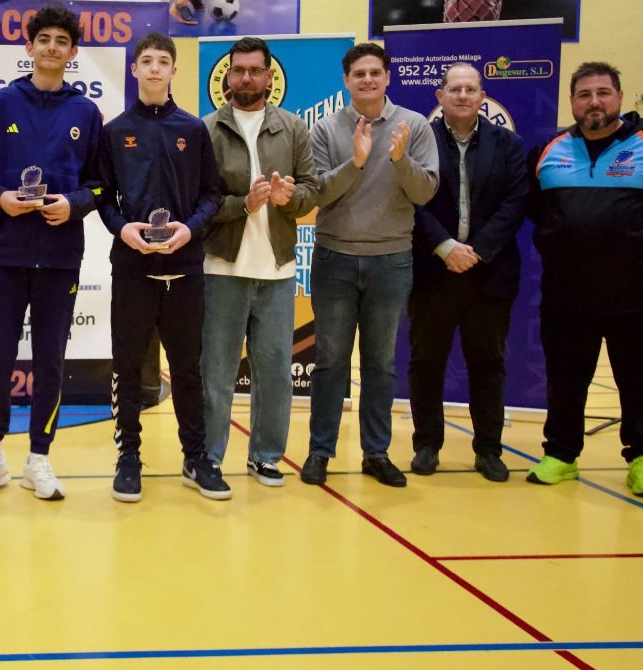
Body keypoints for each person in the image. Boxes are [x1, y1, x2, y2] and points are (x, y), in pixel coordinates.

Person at [526, 62, 643, 499]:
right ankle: (561, 454)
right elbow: (535, 208)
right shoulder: (548, 149)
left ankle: (642, 459)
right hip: (568, 295)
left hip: (640, 296)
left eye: (603, 93)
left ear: (620, 98)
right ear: (572, 102)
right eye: (584, 94)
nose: (594, 102)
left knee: (642, 382)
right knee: (565, 380)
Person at [0, 4, 105, 500]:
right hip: (4, 254)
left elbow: (100, 185)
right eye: (44, 39)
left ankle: (38, 459)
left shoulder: (86, 113)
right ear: (29, 47)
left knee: (50, 361)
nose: (51, 48)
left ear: (73, 52)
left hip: (59, 257)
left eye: (61, 41)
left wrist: (74, 205)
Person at [301, 42, 439, 488]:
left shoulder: (414, 126)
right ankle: (320, 451)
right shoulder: (325, 129)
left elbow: (425, 192)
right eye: (358, 73)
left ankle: (376, 453)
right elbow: (318, 193)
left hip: (391, 261)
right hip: (335, 259)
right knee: (330, 362)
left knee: (380, 364)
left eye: (375, 72)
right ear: (346, 80)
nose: (367, 80)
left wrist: (399, 160)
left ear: (387, 77)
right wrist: (356, 162)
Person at [96, 32, 225, 501]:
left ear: (173, 70)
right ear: (134, 69)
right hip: (132, 270)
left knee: (187, 370)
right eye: (146, 61)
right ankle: (128, 457)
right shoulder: (114, 131)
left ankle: (195, 458)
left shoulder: (193, 129)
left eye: (162, 61)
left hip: (185, 269)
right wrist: (122, 229)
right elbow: (102, 197)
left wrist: (189, 229)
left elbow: (213, 194)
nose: (154, 68)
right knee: (128, 368)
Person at [200, 37, 319, 487]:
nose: (246, 77)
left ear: (270, 76)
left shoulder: (293, 128)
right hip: (222, 269)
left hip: (277, 271)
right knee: (217, 373)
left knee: (274, 374)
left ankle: (266, 456)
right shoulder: (207, 129)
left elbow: (311, 188)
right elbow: (200, 202)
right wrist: (242, 205)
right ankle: (209, 456)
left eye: (255, 70)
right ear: (227, 76)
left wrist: (291, 198)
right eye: (239, 70)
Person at [407, 63, 528, 483]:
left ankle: (489, 450)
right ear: (439, 96)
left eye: (470, 89)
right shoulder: (419, 141)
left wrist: (475, 252)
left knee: (488, 363)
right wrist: (444, 247)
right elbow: (410, 200)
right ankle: (427, 445)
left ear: (482, 97)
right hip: (432, 270)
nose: (462, 96)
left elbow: (516, 202)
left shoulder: (508, 145)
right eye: (454, 89)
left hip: (488, 273)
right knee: (426, 362)